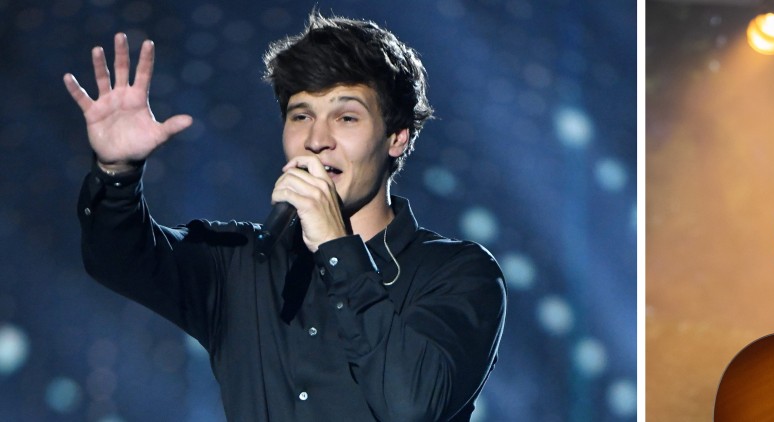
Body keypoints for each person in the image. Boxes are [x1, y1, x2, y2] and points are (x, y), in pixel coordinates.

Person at [64, 13, 506, 421]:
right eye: (301, 116)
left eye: (346, 117)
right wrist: (117, 174)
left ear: (396, 137)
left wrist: (338, 249)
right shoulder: (244, 263)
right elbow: (119, 258)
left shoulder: (460, 274)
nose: (317, 139)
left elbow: (411, 404)